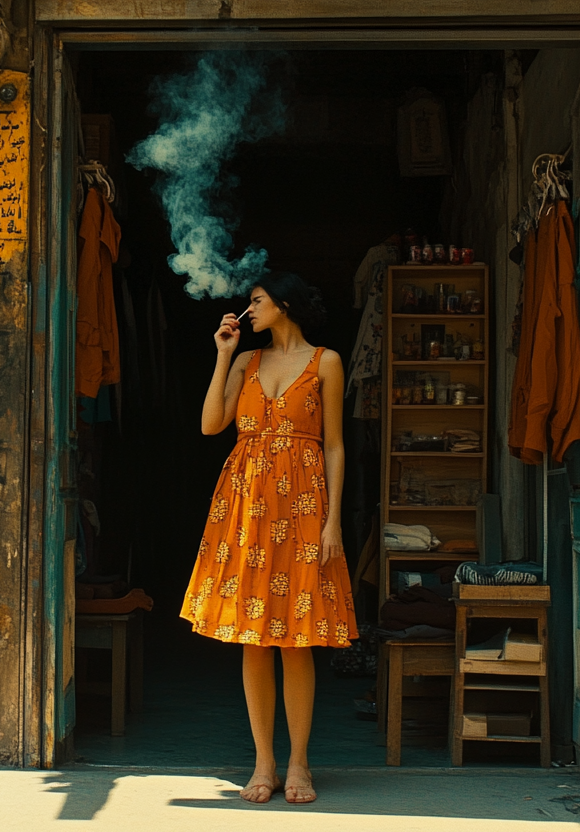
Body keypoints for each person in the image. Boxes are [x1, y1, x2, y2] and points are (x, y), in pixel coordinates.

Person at [179, 273, 359, 805]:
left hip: (303, 508)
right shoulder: (245, 362)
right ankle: (264, 762)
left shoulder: (326, 361)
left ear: (285, 304)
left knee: (296, 638)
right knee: (254, 638)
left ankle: (300, 764)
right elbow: (212, 424)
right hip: (247, 509)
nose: (247, 310)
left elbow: (335, 447)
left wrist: (333, 522)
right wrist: (222, 353)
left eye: (256, 302)